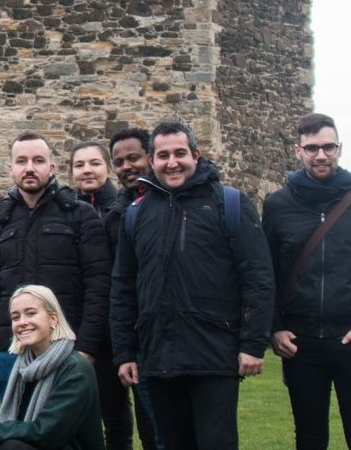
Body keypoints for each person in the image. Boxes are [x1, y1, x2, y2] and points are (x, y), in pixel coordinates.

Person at [110, 120, 273, 450]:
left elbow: (258, 276)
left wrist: (253, 343)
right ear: (152, 160)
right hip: (158, 356)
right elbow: (124, 286)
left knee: (217, 443)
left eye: (180, 153)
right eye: (163, 155)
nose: (172, 162)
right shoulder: (136, 213)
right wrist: (125, 351)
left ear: (196, 155)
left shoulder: (228, 204)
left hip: (213, 353)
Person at [0, 133, 110, 397]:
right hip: (11, 347)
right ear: (11, 168)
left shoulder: (80, 215)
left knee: (67, 433)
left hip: (66, 346)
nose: (30, 168)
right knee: (14, 432)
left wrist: (87, 346)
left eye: (38, 160)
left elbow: (99, 283)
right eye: (21, 161)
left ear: (52, 167)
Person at [263, 112, 351, 450]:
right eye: (312, 148)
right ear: (298, 150)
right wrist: (274, 327)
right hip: (301, 341)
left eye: (328, 147)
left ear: (339, 149)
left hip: (347, 336)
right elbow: (267, 271)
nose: (321, 155)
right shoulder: (277, 205)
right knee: (310, 437)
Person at [0, 285, 103, 450]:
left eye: (31, 313)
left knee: (11, 446)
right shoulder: (23, 365)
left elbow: (46, 433)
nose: (22, 322)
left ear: (53, 319)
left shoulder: (76, 369)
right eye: (15, 317)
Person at [69, 141, 131, 450]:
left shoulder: (124, 207)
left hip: (119, 322)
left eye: (94, 163)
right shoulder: (65, 211)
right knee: (91, 411)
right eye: (79, 165)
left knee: (125, 410)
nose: (87, 170)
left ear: (107, 168)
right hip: (83, 323)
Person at [104, 129, 161, 450]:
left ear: (150, 156)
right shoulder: (117, 216)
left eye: (133, 158)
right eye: (119, 162)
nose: (127, 166)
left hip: (185, 339)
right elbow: (119, 286)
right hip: (140, 336)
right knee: (154, 432)